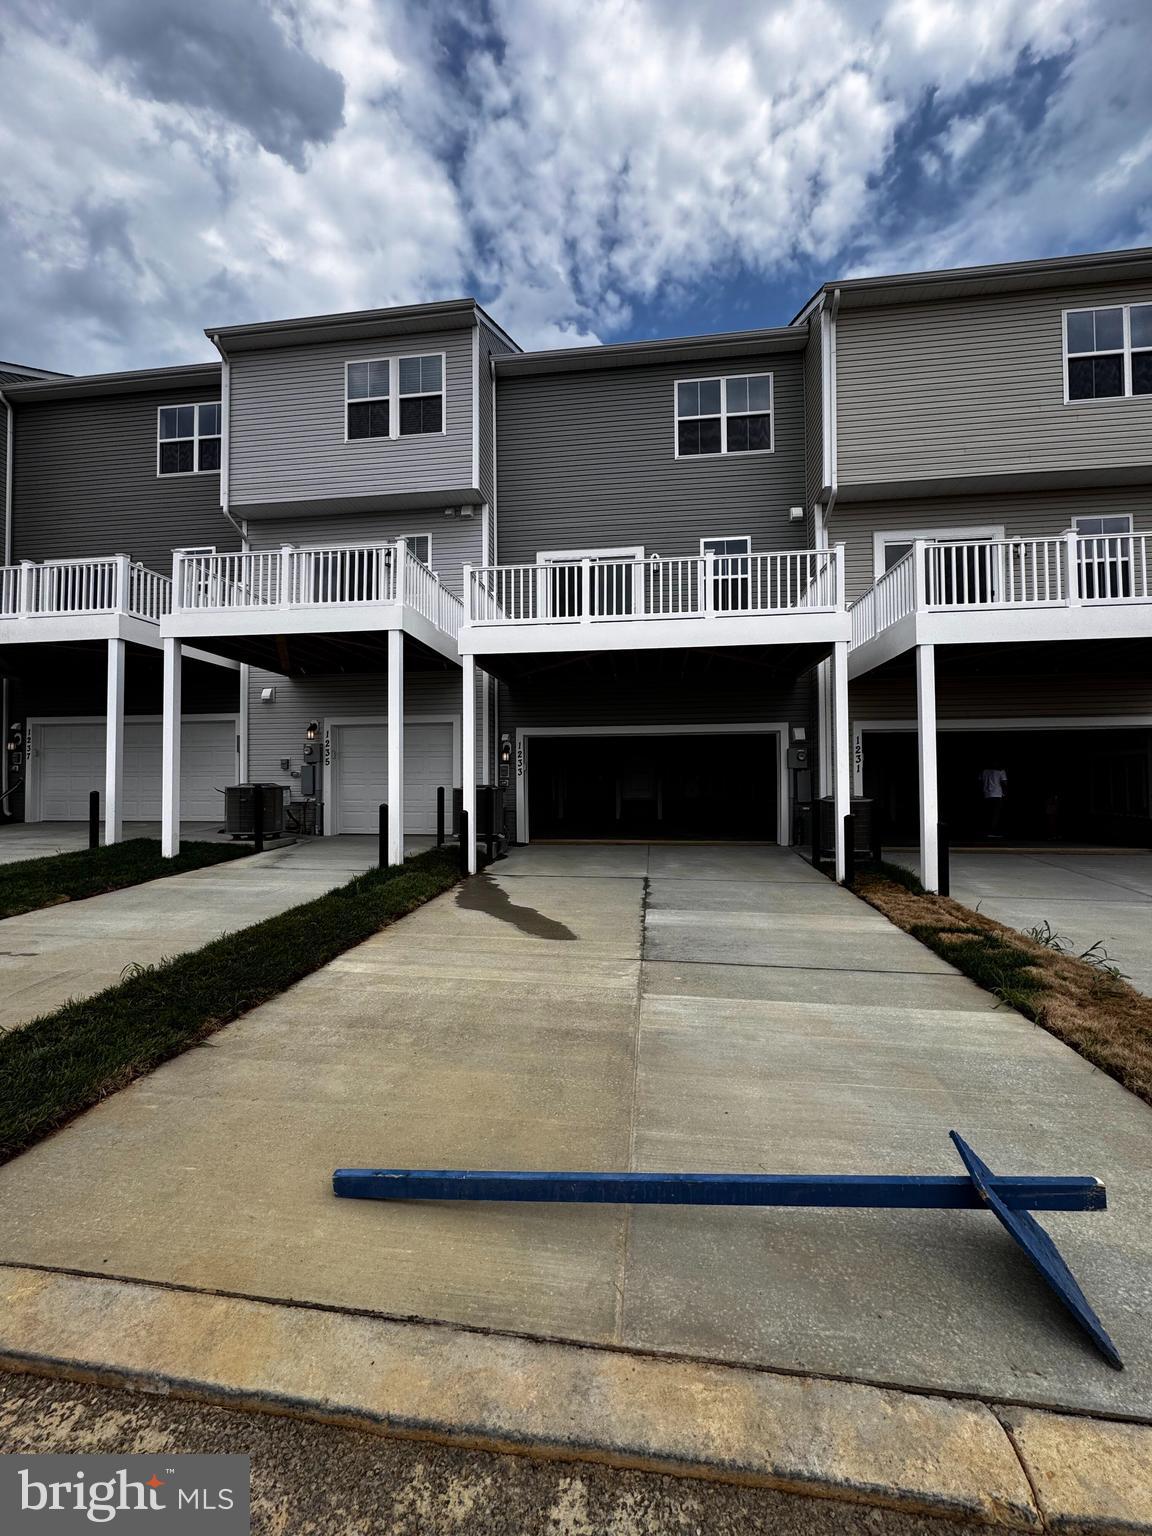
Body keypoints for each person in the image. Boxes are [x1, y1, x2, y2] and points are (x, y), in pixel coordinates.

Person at [980, 765, 1008, 838]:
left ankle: (987, 831)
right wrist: (1005, 793)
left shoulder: (985, 771)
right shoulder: (1001, 771)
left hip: (987, 794)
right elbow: (1004, 783)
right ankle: (993, 832)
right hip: (997, 794)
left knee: (988, 813)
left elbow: (981, 781)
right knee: (995, 814)